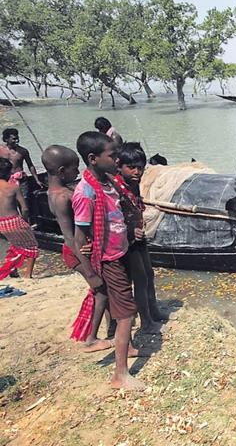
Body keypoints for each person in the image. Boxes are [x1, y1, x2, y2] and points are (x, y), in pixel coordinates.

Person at [73, 131, 144, 390]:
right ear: (93, 158)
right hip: (108, 259)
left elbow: (116, 216)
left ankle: (128, 346)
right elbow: (79, 236)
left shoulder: (108, 183)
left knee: (121, 306)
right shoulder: (86, 192)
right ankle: (120, 375)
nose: (117, 160)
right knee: (126, 314)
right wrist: (91, 273)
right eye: (112, 155)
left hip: (119, 250)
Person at [42, 145, 114, 352]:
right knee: (101, 290)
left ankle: (111, 327)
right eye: (75, 169)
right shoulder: (63, 197)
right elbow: (69, 236)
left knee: (105, 287)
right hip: (76, 251)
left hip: (80, 249)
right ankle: (91, 338)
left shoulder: (54, 192)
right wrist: (89, 271)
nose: (77, 172)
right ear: (62, 171)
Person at [113, 142, 168, 334]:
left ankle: (153, 310)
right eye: (132, 168)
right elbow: (113, 217)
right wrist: (129, 230)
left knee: (149, 274)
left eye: (141, 168)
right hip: (127, 239)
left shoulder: (133, 185)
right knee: (140, 278)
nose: (137, 172)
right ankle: (146, 320)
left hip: (139, 236)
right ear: (119, 166)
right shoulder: (116, 188)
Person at [0, 157, 38, 279]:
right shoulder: (13, 188)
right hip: (14, 220)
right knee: (32, 246)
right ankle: (28, 275)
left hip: (2, 224)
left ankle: (13, 270)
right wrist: (25, 222)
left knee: (16, 245)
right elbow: (25, 208)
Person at [0, 128, 45, 198]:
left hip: (21, 179)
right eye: (14, 139)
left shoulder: (23, 151)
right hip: (5, 179)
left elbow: (30, 165)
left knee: (24, 198)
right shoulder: (1, 150)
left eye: (17, 138)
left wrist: (37, 179)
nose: (17, 141)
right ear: (6, 139)